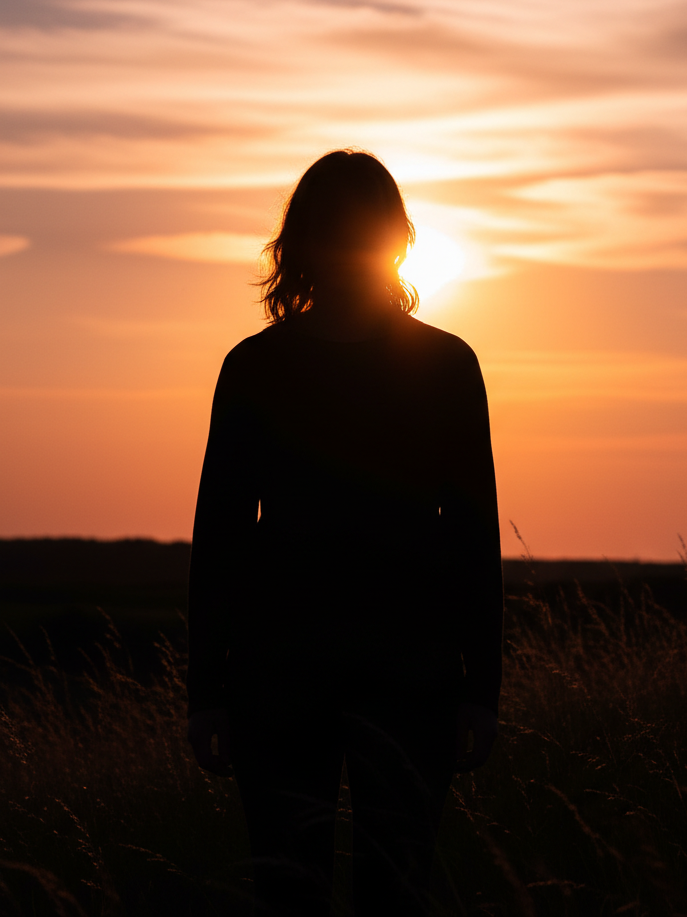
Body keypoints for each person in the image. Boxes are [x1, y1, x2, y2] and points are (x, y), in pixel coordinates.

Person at [185, 149, 503, 917]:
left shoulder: (446, 366)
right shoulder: (256, 368)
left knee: (389, 890)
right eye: (337, 232)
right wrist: (204, 694)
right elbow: (219, 534)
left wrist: (482, 690)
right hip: (288, 677)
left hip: (402, 677)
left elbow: (473, 534)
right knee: (294, 890)